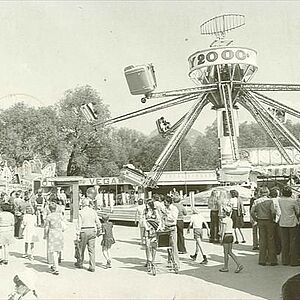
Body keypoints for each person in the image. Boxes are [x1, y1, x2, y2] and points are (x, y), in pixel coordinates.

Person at [75, 187, 101, 272]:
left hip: (83, 231)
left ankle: (80, 263)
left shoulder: (80, 212)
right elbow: (98, 222)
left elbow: (79, 224)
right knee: (92, 250)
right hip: (92, 230)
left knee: (81, 249)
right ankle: (92, 266)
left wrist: (77, 234)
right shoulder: (93, 211)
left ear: (82, 204)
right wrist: (99, 230)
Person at [250, 186, 277, 266]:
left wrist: (256, 219)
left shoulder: (256, 201)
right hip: (269, 220)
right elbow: (273, 212)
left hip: (261, 220)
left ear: (260, 193)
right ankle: (272, 260)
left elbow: (252, 212)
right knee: (271, 240)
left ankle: (262, 260)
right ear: (267, 192)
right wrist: (273, 219)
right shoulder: (270, 201)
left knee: (262, 240)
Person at [278, 185, 300, 266]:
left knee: (284, 242)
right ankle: (293, 261)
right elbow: (297, 212)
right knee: (293, 243)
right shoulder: (293, 201)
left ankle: (285, 260)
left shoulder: (280, 200)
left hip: (283, 223)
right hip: (292, 223)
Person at [219, 205, 244, 273]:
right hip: (231, 236)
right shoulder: (230, 219)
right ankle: (239, 264)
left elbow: (223, 230)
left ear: (225, 212)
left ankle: (226, 267)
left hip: (226, 236)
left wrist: (221, 238)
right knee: (230, 252)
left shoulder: (224, 220)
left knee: (225, 253)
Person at [44, 202, 65, 275]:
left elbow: (46, 226)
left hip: (52, 233)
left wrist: (45, 234)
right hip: (59, 233)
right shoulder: (60, 215)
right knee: (58, 250)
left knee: (53, 251)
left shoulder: (49, 216)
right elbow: (64, 223)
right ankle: (54, 265)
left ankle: (56, 268)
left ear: (49, 209)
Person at [162, 195, 180, 270]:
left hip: (172, 228)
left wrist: (166, 215)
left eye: (165, 202)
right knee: (168, 246)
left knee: (174, 246)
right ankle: (170, 262)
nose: (164, 204)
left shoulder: (174, 209)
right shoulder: (165, 208)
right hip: (166, 227)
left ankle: (176, 263)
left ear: (169, 202)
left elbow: (173, 219)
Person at [143, 199, 162, 272]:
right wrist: (146, 227)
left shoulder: (155, 211)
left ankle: (152, 260)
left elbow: (159, 220)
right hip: (148, 229)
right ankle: (148, 260)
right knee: (147, 246)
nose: (147, 206)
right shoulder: (145, 211)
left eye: (148, 204)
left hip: (154, 229)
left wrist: (158, 228)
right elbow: (143, 220)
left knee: (154, 245)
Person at [269, 187, 282, 256]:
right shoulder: (280, 200)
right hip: (280, 219)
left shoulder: (270, 200)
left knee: (273, 235)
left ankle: (275, 249)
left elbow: (273, 211)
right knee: (279, 235)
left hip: (272, 219)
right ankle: (279, 248)